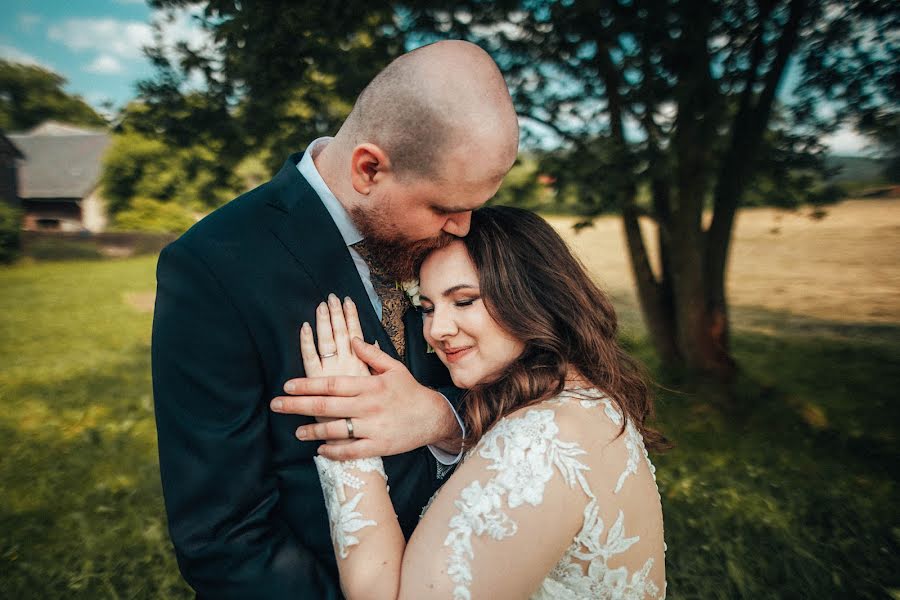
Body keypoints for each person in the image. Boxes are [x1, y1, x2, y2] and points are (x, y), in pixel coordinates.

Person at [151, 41, 519, 597]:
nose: (464, 229)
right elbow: (223, 536)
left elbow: (524, 375)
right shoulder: (214, 267)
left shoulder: (433, 236)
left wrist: (443, 418)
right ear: (369, 169)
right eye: (445, 209)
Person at [280, 206, 668, 599]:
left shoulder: (538, 442)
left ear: (534, 295)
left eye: (464, 301)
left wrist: (351, 441)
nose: (437, 331)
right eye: (427, 308)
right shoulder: (589, 402)